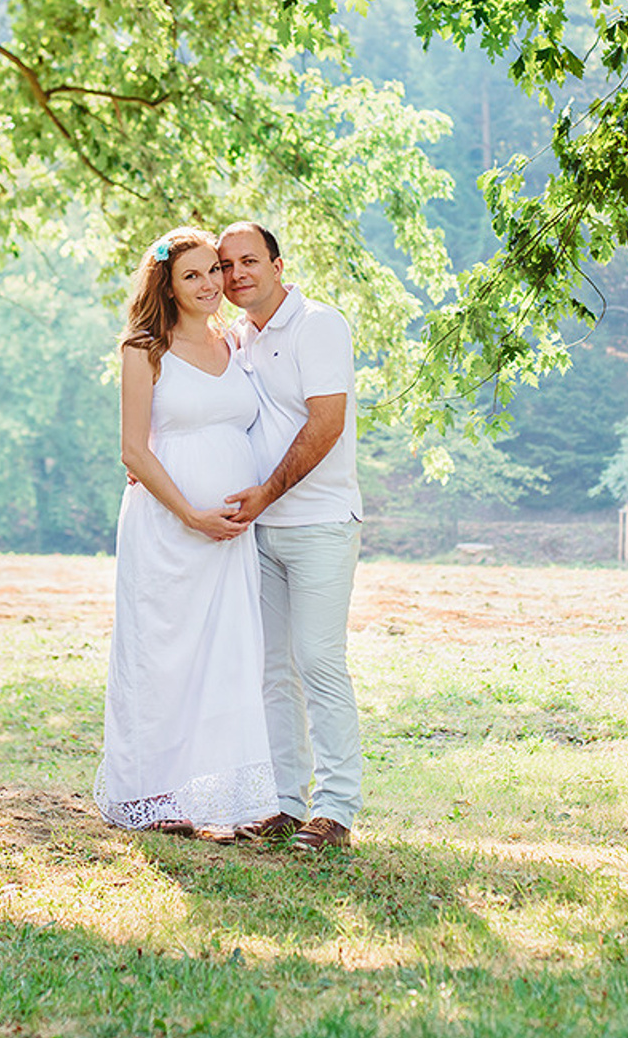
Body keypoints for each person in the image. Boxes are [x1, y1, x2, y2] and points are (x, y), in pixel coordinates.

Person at [94, 227, 279, 840]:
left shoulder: (237, 344)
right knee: (162, 655)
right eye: (192, 275)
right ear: (168, 286)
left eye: (214, 272)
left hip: (232, 535)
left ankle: (218, 796)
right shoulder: (144, 349)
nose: (209, 285)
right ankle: (153, 796)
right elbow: (134, 450)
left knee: (225, 657)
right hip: (168, 528)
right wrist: (190, 513)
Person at [218, 221, 364, 852]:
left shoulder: (318, 325)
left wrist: (266, 495)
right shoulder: (237, 339)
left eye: (249, 261)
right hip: (260, 531)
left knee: (319, 661)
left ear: (278, 266)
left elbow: (326, 423)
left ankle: (336, 810)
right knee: (272, 669)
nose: (236, 274)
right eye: (225, 266)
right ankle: (283, 801)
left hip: (321, 523)